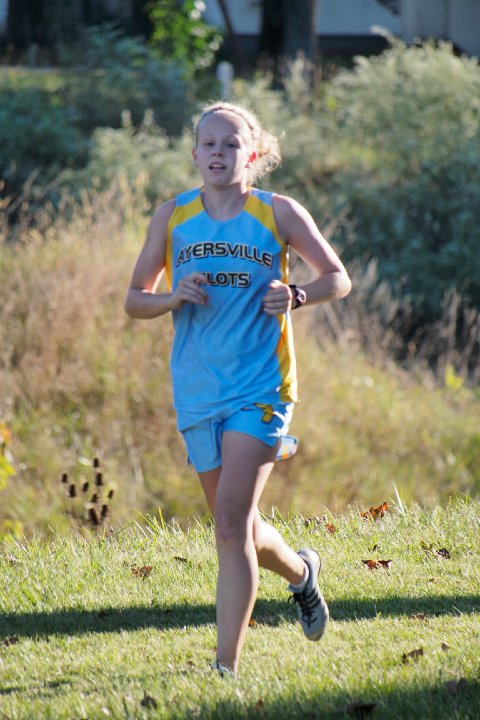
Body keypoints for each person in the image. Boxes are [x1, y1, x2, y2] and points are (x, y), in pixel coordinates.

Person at [124, 101, 352, 678]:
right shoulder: (172, 217)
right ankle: (302, 573)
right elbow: (134, 300)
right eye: (209, 144)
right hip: (197, 390)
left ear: (253, 155)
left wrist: (296, 295)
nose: (219, 153)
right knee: (241, 527)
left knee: (228, 525)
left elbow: (338, 278)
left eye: (231, 144)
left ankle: (223, 668)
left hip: (261, 385)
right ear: (195, 153)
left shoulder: (278, 212)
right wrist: (172, 297)